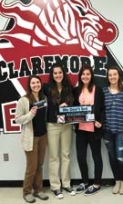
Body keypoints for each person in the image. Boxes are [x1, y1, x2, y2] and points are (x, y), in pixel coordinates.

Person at [43, 63, 75, 199]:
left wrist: (67, 105)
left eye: (60, 73)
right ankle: (55, 186)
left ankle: (66, 184)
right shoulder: (47, 87)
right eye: (55, 73)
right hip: (52, 125)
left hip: (66, 124)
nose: (58, 75)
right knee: (54, 156)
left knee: (66, 154)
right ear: (52, 75)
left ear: (63, 73)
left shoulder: (69, 88)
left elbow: (73, 103)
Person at [15, 75, 49, 203]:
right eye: (33, 83)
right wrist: (30, 114)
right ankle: (27, 192)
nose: (36, 85)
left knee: (40, 165)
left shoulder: (43, 98)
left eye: (38, 82)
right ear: (29, 85)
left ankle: (38, 190)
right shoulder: (23, 100)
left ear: (41, 84)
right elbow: (17, 119)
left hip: (43, 136)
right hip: (31, 138)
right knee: (31, 167)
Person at [73, 64, 104, 196]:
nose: (85, 76)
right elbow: (72, 107)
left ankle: (97, 183)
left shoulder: (98, 89)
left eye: (88, 74)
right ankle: (85, 181)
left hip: (94, 129)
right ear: (80, 76)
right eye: (83, 74)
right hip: (80, 129)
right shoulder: (76, 90)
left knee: (96, 156)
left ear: (91, 76)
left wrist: (100, 122)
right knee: (81, 156)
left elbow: (102, 108)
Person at [102, 66, 123, 195]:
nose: (112, 77)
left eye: (114, 74)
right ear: (107, 77)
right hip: (107, 131)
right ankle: (117, 180)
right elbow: (100, 111)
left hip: (120, 131)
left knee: (120, 158)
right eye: (110, 75)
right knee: (112, 158)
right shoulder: (103, 92)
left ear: (118, 76)